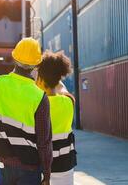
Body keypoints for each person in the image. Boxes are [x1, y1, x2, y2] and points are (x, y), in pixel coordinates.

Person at [0, 35, 53, 185]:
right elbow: (44, 142)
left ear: (14, 59)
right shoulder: (40, 97)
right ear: (36, 66)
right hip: (30, 171)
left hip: (4, 168)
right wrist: (46, 174)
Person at [36, 51, 77, 185]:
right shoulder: (69, 102)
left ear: (41, 80)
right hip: (66, 165)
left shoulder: (37, 105)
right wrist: (54, 79)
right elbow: (62, 89)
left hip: (44, 168)